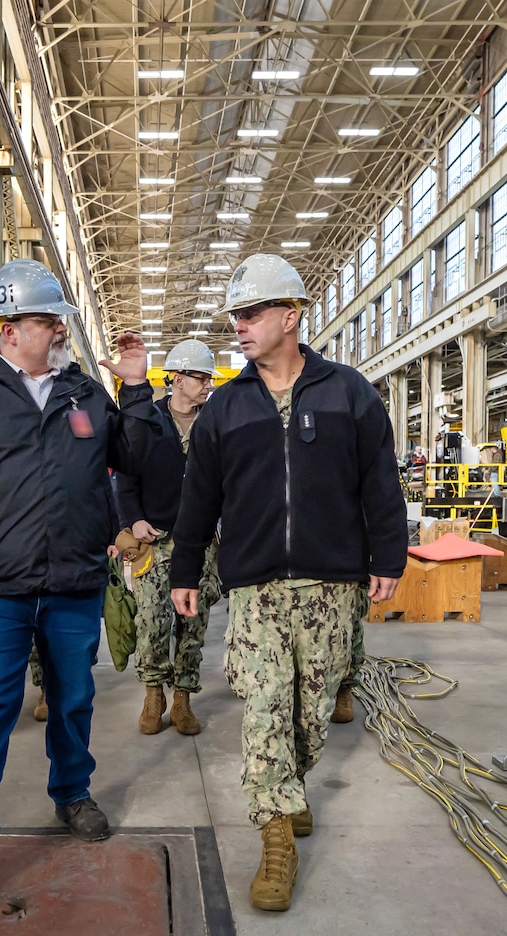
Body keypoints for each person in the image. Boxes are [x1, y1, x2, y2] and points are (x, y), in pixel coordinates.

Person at [0, 258, 161, 917]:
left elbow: (135, 462)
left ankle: (71, 791)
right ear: (9, 328)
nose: (59, 332)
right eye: (49, 321)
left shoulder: (85, 394)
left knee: (74, 698)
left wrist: (134, 389)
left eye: (59, 322)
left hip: (75, 580)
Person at [169, 254, 407, 912]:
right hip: (256, 587)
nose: (239, 327)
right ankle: (276, 833)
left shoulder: (348, 393)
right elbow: (199, 498)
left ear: (291, 316)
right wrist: (186, 569)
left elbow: (380, 483)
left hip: (333, 583)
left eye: (251, 314)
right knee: (265, 705)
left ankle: (290, 784)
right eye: (235, 317)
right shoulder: (226, 409)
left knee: (309, 711)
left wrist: (390, 556)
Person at [114, 337, 221, 736]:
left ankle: (183, 700)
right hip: (155, 539)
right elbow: (125, 474)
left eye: (208, 377)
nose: (207, 384)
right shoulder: (149, 419)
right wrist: (132, 519)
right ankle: (153, 693)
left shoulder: (214, 423)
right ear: (176, 378)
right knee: (152, 622)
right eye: (200, 377)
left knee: (193, 624)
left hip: (201, 542)